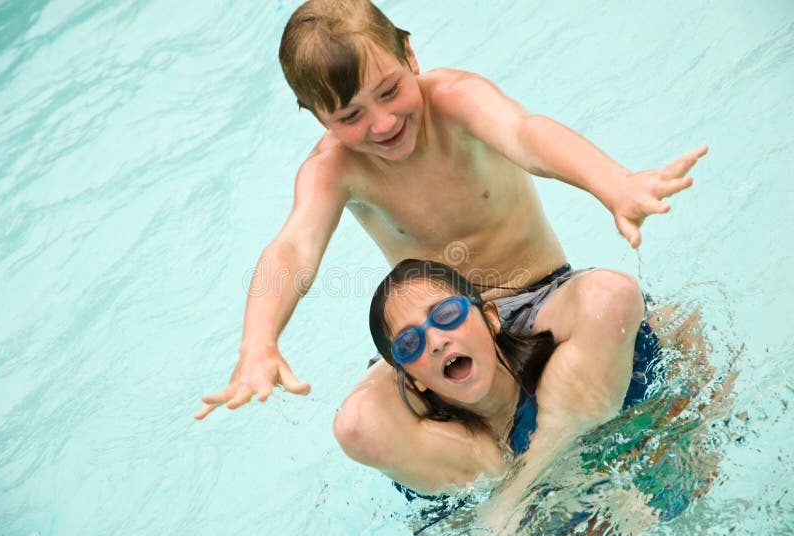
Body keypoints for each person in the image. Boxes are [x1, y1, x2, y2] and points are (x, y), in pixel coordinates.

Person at [194, 0, 706, 466]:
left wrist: (611, 182)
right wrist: (258, 343)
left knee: (612, 298)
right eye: (350, 116)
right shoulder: (333, 169)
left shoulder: (456, 100)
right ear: (319, 118)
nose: (383, 122)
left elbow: (526, 134)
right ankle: (496, 479)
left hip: (541, 299)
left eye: (390, 90)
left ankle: (538, 467)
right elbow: (293, 247)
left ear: (410, 55)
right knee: (358, 426)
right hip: (436, 338)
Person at [362, 259, 652, 532]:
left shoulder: (562, 368)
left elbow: (616, 294)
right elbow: (354, 428)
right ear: (412, 379)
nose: (436, 342)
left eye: (448, 314)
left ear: (491, 320)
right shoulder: (436, 462)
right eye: (410, 342)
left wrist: (514, 490)